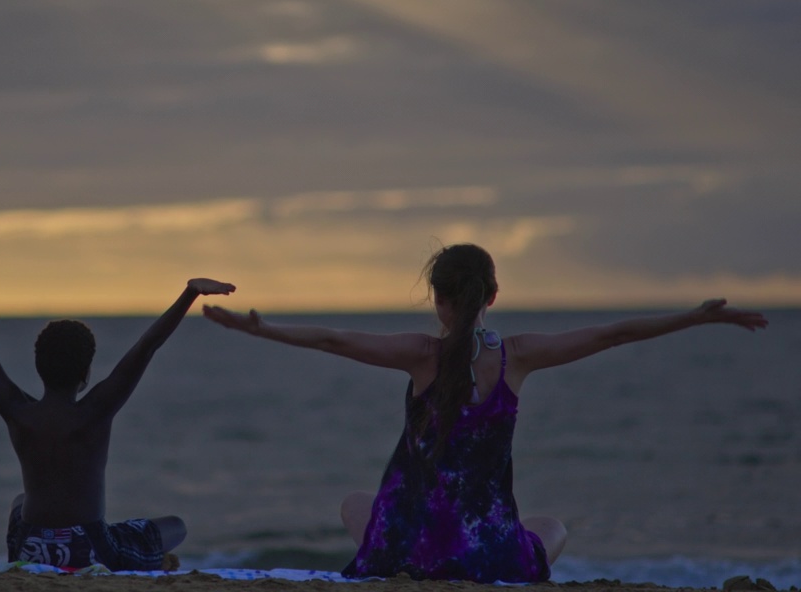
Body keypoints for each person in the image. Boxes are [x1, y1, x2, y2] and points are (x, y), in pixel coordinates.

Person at [202, 243, 768, 583]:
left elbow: (331, 340)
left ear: (437, 300)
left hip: (408, 551)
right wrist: (695, 317)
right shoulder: (517, 356)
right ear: (491, 295)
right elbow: (614, 333)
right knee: (552, 528)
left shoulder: (419, 355)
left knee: (355, 505)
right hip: (488, 556)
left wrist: (263, 329)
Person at [0, 228, 234, 572]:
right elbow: (146, 346)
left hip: (29, 545)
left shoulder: (17, 411)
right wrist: (189, 294)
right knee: (175, 526)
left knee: (20, 501)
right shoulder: (95, 412)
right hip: (89, 547)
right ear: (86, 374)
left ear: (38, 366)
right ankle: (152, 560)